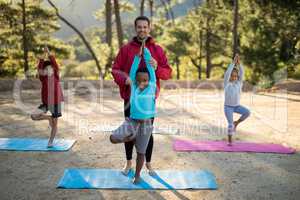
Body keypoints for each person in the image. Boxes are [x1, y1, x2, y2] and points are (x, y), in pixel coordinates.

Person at [112, 16, 172, 175]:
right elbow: (115, 69)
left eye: (145, 27)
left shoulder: (157, 50)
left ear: (149, 28)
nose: (142, 29)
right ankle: (128, 163)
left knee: (147, 133)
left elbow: (167, 72)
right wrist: (124, 79)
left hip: (148, 102)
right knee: (129, 132)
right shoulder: (126, 49)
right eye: (139, 27)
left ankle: (149, 164)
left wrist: (157, 66)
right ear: (135, 28)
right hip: (130, 98)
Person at [110, 44, 156, 184]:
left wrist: (146, 53)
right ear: (135, 80)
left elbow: (151, 70)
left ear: (149, 80)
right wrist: (137, 57)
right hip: (132, 121)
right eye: (140, 80)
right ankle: (130, 138)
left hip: (146, 124)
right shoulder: (134, 87)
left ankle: (137, 175)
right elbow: (132, 71)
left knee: (141, 153)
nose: (143, 83)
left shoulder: (152, 86)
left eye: (145, 80)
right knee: (112, 138)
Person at [31, 47, 63, 148]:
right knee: (34, 116)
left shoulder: (56, 75)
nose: (49, 71)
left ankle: (50, 141)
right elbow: (39, 67)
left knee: (55, 124)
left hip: (56, 102)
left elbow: (54, 62)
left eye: (51, 69)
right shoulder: (43, 78)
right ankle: (48, 118)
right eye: (46, 69)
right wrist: (43, 56)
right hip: (46, 103)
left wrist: (48, 52)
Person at [224, 54, 250, 145]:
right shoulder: (227, 84)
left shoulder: (239, 83)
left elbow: (242, 73)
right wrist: (233, 63)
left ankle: (237, 123)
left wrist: (239, 64)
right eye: (232, 76)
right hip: (228, 107)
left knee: (247, 112)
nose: (234, 77)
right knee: (230, 124)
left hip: (237, 106)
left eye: (235, 76)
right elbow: (227, 73)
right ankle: (230, 141)